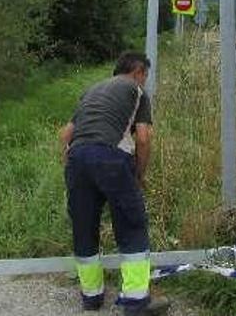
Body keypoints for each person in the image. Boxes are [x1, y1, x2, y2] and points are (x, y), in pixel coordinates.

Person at [58, 52, 170, 315]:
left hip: (77, 157)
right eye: (146, 76)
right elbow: (142, 138)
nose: (145, 81)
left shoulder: (92, 91)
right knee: (132, 225)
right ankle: (135, 301)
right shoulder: (137, 91)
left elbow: (65, 134)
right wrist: (139, 175)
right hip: (111, 157)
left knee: (84, 227)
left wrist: (72, 161)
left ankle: (92, 297)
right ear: (139, 72)